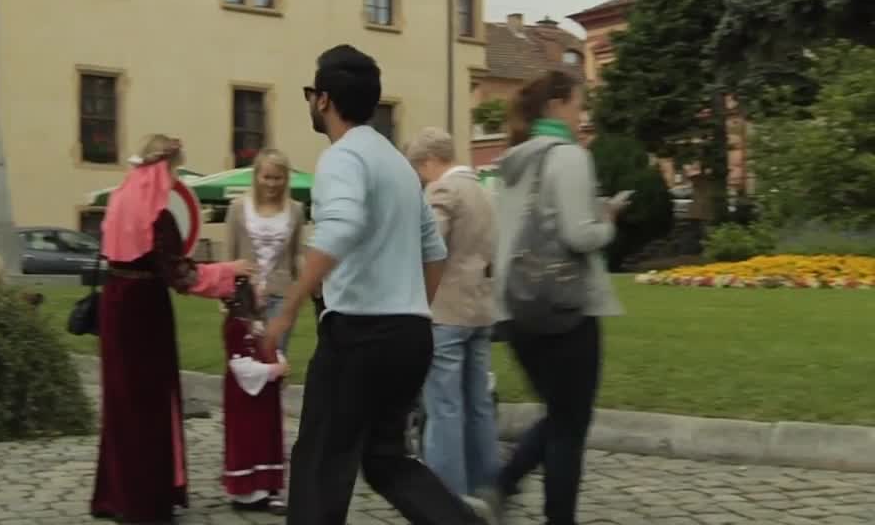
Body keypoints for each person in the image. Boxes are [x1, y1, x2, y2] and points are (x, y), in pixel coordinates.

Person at [262, 45, 492, 525]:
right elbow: (434, 253)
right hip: (410, 335)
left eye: (310, 94)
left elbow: (340, 228)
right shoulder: (397, 165)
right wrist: (411, 310)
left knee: (321, 462)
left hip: (358, 336)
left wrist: (288, 308)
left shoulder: (343, 159)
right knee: (386, 460)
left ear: (323, 100)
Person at [91, 134, 255, 524]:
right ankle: (144, 500)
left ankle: (115, 495)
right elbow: (183, 276)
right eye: (175, 168)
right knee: (148, 403)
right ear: (164, 168)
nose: (174, 177)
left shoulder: (116, 203)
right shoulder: (158, 216)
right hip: (145, 311)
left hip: (114, 305)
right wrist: (229, 272)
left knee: (120, 402)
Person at [486, 70, 624, 525]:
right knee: (569, 424)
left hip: (517, 306)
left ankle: (503, 487)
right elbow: (578, 234)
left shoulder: (512, 160)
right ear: (554, 106)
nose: (580, 114)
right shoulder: (567, 157)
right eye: (576, 104)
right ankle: (519, 494)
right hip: (565, 307)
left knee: (560, 415)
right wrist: (607, 221)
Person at [404, 127, 500, 497]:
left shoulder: (442, 190)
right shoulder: (485, 191)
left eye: (418, 169)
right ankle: (485, 486)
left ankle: (446, 495)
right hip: (481, 308)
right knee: (478, 405)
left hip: (445, 310)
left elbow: (430, 245)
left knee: (443, 407)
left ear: (429, 162)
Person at [224, 148, 305, 355]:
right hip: (244, 295)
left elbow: (297, 255)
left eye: (278, 178)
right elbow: (229, 254)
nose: (271, 183)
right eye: (267, 177)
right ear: (257, 176)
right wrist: (225, 294)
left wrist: (300, 290)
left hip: (281, 296)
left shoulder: (295, 210)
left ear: (286, 179)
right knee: (244, 358)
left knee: (274, 357)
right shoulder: (238, 208)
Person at [221, 276, 288, 514]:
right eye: (259, 292)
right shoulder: (236, 327)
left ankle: (270, 488)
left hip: (265, 396)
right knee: (249, 438)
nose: (264, 295)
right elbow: (240, 364)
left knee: (267, 438)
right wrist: (271, 370)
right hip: (246, 398)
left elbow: (272, 349)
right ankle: (249, 493)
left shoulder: (258, 325)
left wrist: (279, 362)